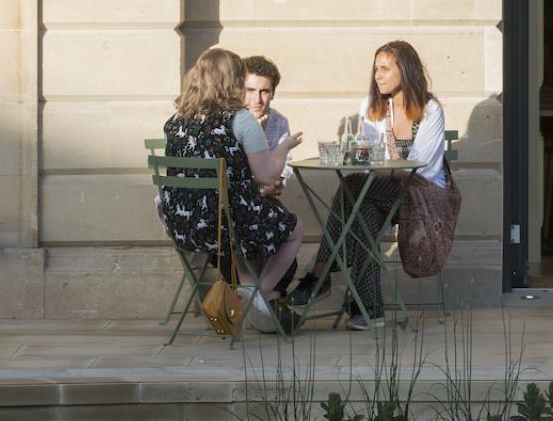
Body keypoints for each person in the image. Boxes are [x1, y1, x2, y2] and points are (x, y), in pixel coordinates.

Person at [287, 40, 446, 328]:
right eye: (376, 69)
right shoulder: (372, 107)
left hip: (420, 196)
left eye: (385, 68)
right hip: (380, 191)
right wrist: (388, 170)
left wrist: (386, 170)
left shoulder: (429, 109)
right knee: (363, 214)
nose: (378, 75)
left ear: (406, 70)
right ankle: (370, 311)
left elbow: (419, 169)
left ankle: (319, 275)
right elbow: (376, 162)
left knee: (352, 187)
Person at [157, 47, 304, 335]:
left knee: (233, 234)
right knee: (295, 228)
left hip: (183, 223)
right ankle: (258, 294)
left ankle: (249, 289)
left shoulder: (176, 121)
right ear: (231, 80)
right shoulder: (240, 120)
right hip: (228, 222)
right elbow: (268, 174)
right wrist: (284, 147)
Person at [241, 55, 293, 198]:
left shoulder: (279, 122)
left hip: (266, 199)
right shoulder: (230, 120)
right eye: (250, 90)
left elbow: (286, 164)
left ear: (273, 94)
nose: (257, 100)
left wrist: (277, 182)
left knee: (295, 221)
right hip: (234, 201)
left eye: (264, 91)